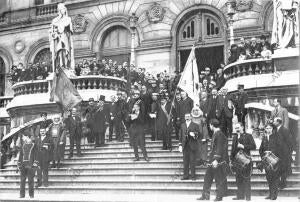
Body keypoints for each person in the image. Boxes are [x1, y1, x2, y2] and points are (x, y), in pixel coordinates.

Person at [198, 119, 228, 201]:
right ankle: (205, 195)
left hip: (217, 161)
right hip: (212, 160)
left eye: (209, 125)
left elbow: (219, 148)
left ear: (212, 125)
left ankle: (219, 196)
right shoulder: (216, 134)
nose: (209, 126)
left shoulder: (220, 134)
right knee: (207, 178)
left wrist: (216, 160)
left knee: (218, 178)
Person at [230, 123, 256, 201]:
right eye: (235, 128)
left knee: (246, 179)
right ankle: (240, 196)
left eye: (238, 127)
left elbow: (254, 146)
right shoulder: (235, 137)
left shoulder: (248, 135)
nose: (237, 129)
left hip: (245, 160)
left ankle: (248, 198)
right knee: (238, 179)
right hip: (237, 161)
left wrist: (243, 146)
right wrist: (231, 160)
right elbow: (232, 149)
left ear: (242, 127)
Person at [259, 123, 281, 200]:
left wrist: (271, 152)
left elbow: (280, 148)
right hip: (266, 161)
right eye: (267, 128)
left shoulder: (276, 137)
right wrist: (263, 155)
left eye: (269, 128)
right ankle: (270, 193)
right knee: (269, 178)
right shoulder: (264, 138)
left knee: (274, 178)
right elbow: (260, 149)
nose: (268, 130)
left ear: (272, 129)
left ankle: (274, 195)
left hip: (274, 161)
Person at [49, 3, 74, 70]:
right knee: (59, 51)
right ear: (59, 10)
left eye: (64, 9)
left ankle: (66, 65)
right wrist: (53, 33)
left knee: (65, 51)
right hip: (58, 39)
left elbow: (69, 28)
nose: (63, 10)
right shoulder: (55, 20)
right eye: (62, 9)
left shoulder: (68, 19)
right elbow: (52, 30)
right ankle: (60, 65)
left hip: (65, 37)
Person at [127, 90, 149, 161]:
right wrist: (130, 117)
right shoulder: (132, 110)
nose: (134, 108)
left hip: (140, 129)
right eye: (134, 107)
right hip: (133, 129)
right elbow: (128, 121)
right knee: (135, 145)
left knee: (142, 144)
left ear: (139, 108)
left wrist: (137, 116)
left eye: (136, 107)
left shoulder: (141, 111)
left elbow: (143, 120)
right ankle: (136, 157)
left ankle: (145, 156)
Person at [179, 113, 201, 181]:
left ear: (191, 117)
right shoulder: (182, 125)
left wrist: (193, 134)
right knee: (185, 162)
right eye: (186, 116)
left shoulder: (195, 125)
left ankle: (193, 176)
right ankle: (185, 176)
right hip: (185, 146)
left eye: (188, 116)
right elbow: (180, 135)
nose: (187, 117)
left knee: (192, 161)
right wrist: (180, 144)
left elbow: (199, 135)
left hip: (192, 145)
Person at [273, 117, 293, 189]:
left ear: (278, 122)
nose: (273, 122)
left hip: (284, 153)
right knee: (278, 168)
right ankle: (279, 184)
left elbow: (290, 142)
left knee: (284, 169)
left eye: (274, 121)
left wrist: (288, 152)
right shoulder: (275, 130)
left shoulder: (285, 130)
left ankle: (283, 184)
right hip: (277, 153)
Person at [17, 131, 39, 198]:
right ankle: (22, 195)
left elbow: (36, 155)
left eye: (23, 136)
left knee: (30, 180)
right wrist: (19, 164)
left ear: (27, 137)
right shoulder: (23, 145)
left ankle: (31, 195)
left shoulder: (34, 145)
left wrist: (35, 163)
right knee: (22, 180)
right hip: (23, 165)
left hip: (31, 165)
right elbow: (20, 155)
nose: (22, 138)